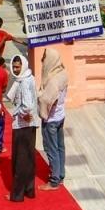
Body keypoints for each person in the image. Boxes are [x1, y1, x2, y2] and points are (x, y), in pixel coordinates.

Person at [5, 53, 40, 202]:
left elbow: (27, 105)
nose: (15, 69)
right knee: (29, 159)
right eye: (14, 66)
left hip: (22, 125)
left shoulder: (24, 82)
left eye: (17, 67)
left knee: (20, 161)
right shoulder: (28, 77)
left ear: (23, 66)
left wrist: (19, 113)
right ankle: (29, 190)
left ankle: (17, 194)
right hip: (30, 125)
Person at [38, 47, 68, 189]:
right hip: (60, 115)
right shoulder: (63, 73)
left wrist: (39, 96)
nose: (42, 61)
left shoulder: (53, 81)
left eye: (44, 58)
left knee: (51, 149)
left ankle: (54, 180)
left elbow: (46, 100)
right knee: (60, 147)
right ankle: (60, 174)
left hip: (51, 119)